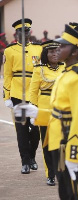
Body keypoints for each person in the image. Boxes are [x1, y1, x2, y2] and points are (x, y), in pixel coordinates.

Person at [14, 24, 78, 200]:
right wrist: (36, 113)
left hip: (70, 140)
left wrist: (74, 153)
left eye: (63, 46)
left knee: (75, 191)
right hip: (60, 138)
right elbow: (60, 112)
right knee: (65, 190)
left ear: (74, 52)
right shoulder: (66, 74)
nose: (58, 50)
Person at [3, 18, 42, 174]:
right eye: (21, 31)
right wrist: (7, 96)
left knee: (37, 130)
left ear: (30, 32)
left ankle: (32, 156)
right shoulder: (10, 50)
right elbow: (7, 75)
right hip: (18, 93)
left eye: (27, 31)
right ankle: (25, 161)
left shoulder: (38, 49)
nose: (24, 33)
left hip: (36, 94)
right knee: (22, 129)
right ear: (16, 33)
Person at [29, 40, 64, 186]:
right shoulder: (39, 69)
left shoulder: (65, 67)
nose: (54, 54)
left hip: (62, 108)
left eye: (57, 51)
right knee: (47, 142)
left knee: (62, 142)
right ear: (46, 54)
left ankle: (61, 171)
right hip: (44, 110)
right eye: (51, 51)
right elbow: (33, 90)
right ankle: (50, 173)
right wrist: (33, 110)